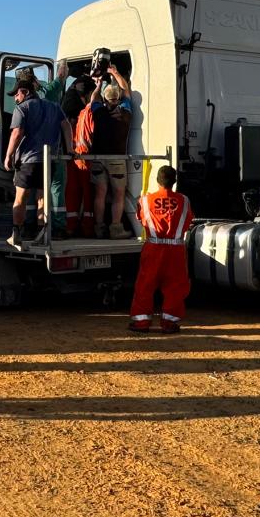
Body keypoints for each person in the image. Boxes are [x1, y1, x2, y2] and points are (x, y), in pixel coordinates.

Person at [3, 71, 67, 248]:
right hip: (49, 160)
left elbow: (17, 133)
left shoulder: (22, 108)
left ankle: (16, 234)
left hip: (28, 160)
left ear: (24, 91)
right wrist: (70, 149)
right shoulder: (54, 106)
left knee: (20, 198)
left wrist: (8, 155)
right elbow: (66, 125)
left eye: (16, 94)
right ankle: (42, 234)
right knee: (42, 197)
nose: (15, 98)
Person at [129, 165, 192, 333]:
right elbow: (188, 221)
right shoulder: (184, 200)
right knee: (175, 286)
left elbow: (140, 219)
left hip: (153, 247)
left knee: (145, 284)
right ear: (174, 181)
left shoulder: (145, 200)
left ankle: (141, 322)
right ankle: (170, 323)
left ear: (157, 181)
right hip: (175, 250)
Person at [88, 84, 135, 239]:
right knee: (119, 194)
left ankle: (99, 228)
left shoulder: (99, 112)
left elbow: (93, 99)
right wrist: (115, 73)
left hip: (97, 158)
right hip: (116, 158)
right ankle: (116, 228)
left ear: (105, 99)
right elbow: (127, 93)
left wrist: (98, 85)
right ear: (118, 99)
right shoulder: (125, 113)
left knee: (100, 194)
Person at [60, 77, 96, 236]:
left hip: (70, 156)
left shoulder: (67, 107)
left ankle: (70, 227)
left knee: (71, 192)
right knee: (86, 192)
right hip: (84, 157)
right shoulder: (87, 112)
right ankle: (87, 227)